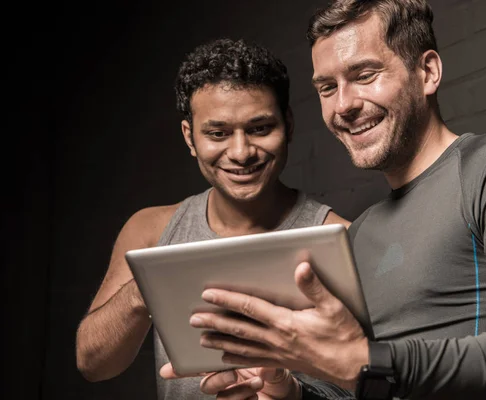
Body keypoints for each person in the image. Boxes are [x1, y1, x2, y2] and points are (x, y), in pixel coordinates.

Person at [160, 1, 486, 399]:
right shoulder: (362, 230)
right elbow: (361, 388)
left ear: (427, 72)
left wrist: (374, 362)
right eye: (327, 88)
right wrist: (287, 391)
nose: (344, 105)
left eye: (364, 75)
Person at [75, 38, 349, 400]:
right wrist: (148, 287)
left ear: (289, 125)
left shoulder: (339, 237)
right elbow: (92, 364)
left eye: (260, 128)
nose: (241, 152)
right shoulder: (151, 230)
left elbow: (368, 384)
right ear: (190, 137)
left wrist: (291, 393)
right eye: (218, 133)